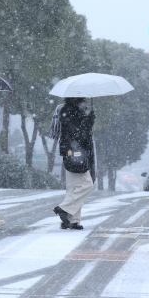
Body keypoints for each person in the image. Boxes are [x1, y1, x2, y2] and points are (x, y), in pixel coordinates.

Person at [51, 97, 96, 230]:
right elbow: (79, 134)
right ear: (77, 101)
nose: (85, 103)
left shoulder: (68, 112)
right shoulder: (73, 113)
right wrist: (89, 121)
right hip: (77, 154)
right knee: (87, 184)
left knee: (73, 186)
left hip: (70, 153)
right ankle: (63, 209)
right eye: (83, 101)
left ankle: (72, 220)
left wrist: (87, 120)